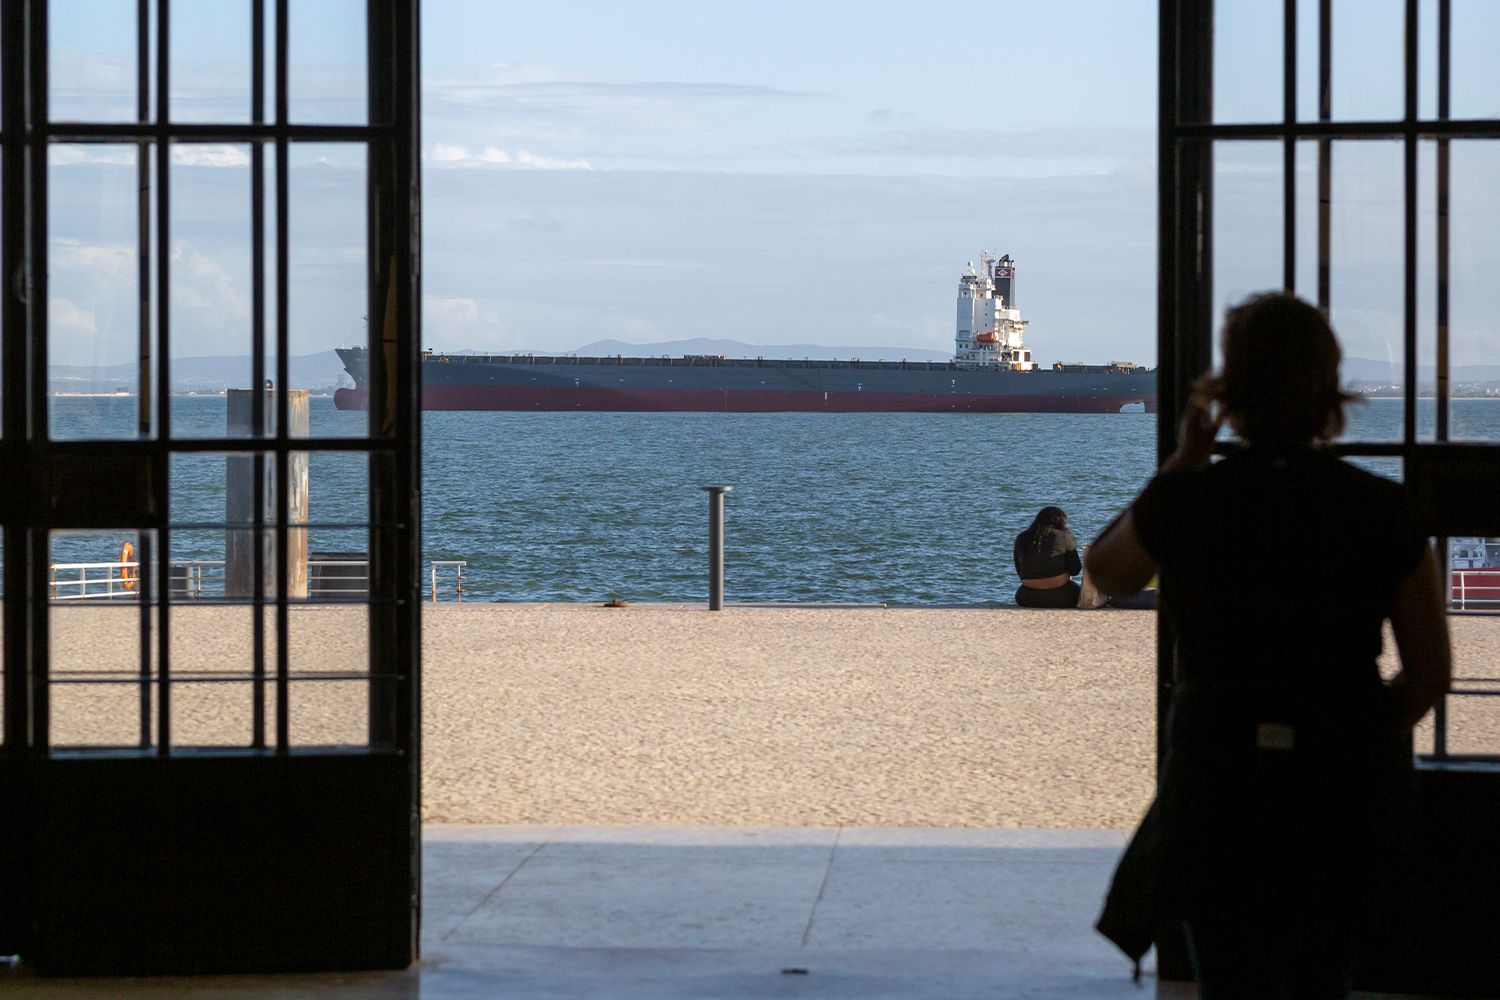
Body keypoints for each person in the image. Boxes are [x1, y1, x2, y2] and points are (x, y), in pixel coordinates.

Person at [1088, 292, 1451, 998]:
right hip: (1339, 784)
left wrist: (1181, 465)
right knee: (1323, 975)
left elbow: (1107, 572)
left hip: (1216, 775)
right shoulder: (1382, 509)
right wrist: (1359, 735)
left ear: (1227, 392)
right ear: (1331, 388)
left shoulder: (1191, 500)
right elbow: (1429, 674)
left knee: (1230, 974)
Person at [1013, 505, 1082, 608]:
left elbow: (1019, 570)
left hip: (1026, 597)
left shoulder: (1021, 537)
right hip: (1062, 597)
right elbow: (1075, 569)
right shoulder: (1063, 536)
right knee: (1078, 592)